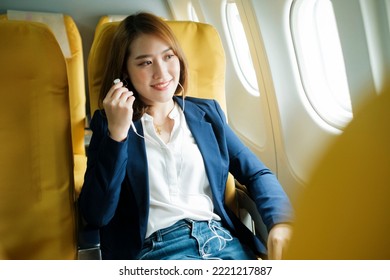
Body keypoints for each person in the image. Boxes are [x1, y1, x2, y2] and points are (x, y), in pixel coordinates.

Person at [78, 12, 293, 260]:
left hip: (222, 242)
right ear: (125, 73)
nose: (162, 72)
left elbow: (256, 172)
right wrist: (117, 135)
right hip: (157, 251)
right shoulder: (109, 123)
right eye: (145, 62)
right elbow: (96, 214)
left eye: (168, 56)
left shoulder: (207, 113)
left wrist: (281, 221)